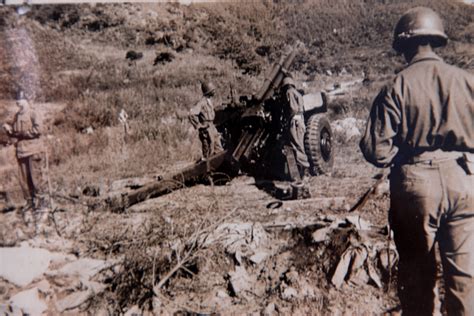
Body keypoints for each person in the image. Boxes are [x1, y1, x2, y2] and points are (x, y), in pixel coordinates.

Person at [360, 7, 473, 315]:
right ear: (436, 40)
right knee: (465, 279)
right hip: (464, 180)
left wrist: (407, 157)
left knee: (417, 277)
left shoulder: (395, 87)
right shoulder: (466, 80)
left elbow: (375, 150)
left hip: (416, 184)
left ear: (404, 47)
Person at [3, 91, 45, 210]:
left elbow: (38, 130)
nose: (18, 103)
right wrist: (8, 130)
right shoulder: (17, 116)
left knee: (35, 178)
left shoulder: (33, 113)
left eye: (20, 100)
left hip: (33, 150)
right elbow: (14, 133)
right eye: (16, 100)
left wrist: (22, 133)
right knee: (24, 179)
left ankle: (41, 202)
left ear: (26, 100)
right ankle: (29, 202)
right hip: (21, 152)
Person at [282, 76, 310, 179]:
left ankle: (304, 171)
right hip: (300, 121)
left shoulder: (289, 92)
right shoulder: (297, 93)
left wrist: (287, 118)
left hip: (295, 122)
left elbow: (293, 108)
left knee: (297, 146)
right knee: (300, 145)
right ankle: (304, 171)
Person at [189, 81, 223, 159]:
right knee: (209, 151)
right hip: (207, 129)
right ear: (208, 91)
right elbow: (192, 114)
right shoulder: (202, 102)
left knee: (219, 149)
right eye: (212, 90)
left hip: (212, 127)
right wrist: (199, 126)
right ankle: (209, 169)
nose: (214, 91)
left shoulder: (209, 101)